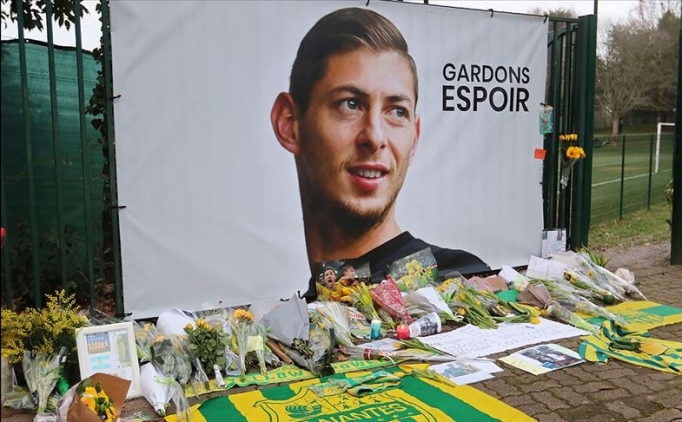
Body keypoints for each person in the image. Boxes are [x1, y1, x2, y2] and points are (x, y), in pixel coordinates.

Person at [270, 7, 490, 300]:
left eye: (397, 112)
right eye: (350, 104)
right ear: (289, 123)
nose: (374, 137)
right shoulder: (307, 307)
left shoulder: (457, 281)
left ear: (414, 138)